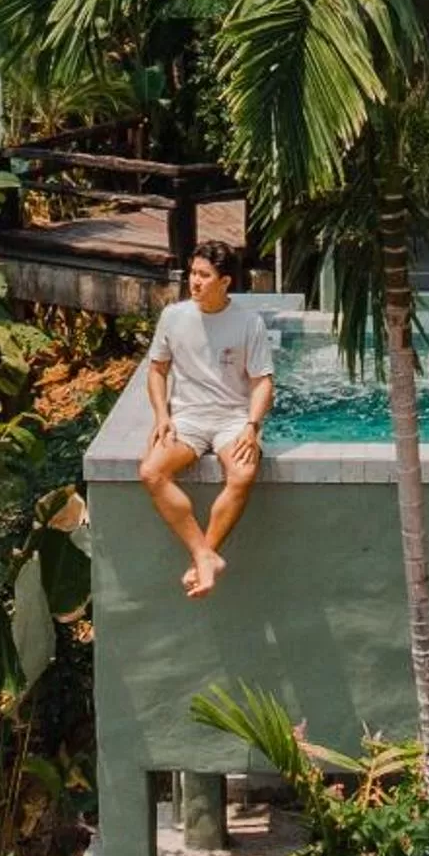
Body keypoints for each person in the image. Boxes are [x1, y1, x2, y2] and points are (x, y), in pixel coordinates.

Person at [135, 240, 275, 598]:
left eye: (204, 275)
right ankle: (204, 556)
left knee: (242, 473)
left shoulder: (249, 323)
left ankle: (205, 555)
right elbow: (156, 371)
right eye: (193, 273)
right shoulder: (173, 316)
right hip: (187, 418)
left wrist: (252, 426)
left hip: (233, 419)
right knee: (151, 471)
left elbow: (262, 382)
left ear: (225, 281)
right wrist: (162, 415)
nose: (194, 282)